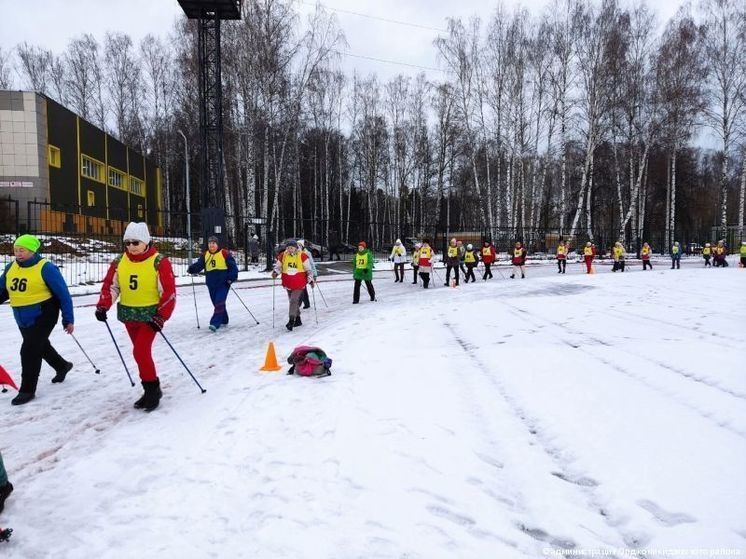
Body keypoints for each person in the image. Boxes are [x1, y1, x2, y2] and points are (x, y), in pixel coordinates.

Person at [96, 222, 176, 411]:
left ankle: (153, 390)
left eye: (136, 242)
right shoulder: (119, 261)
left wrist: (161, 316)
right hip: (129, 315)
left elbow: (168, 291)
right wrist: (103, 305)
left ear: (146, 242)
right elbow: (112, 286)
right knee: (140, 354)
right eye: (128, 243)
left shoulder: (159, 261)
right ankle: (149, 390)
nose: (131, 247)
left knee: (140, 352)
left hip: (150, 317)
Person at [0, 234, 74, 406]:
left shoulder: (45, 268)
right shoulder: (11, 267)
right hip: (21, 316)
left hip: (44, 314)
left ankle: (27, 390)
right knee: (40, 345)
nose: (18, 253)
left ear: (33, 250)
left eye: (22, 250)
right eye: (16, 250)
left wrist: (68, 319)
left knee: (29, 350)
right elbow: (3, 290)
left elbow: (63, 294)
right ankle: (62, 366)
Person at [187, 235, 238, 332]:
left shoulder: (224, 253)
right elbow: (199, 265)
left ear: (217, 245)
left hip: (223, 283)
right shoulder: (205, 255)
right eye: (210, 243)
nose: (211, 245)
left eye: (213, 243)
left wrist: (231, 278)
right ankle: (224, 319)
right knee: (217, 303)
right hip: (211, 284)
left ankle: (215, 323)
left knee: (219, 301)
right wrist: (192, 269)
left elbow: (233, 268)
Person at [272, 240, 314, 331]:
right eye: (288, 248)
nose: (289, 249)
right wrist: (275, 272)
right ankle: (298, 320)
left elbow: (308, 270)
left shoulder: (302, 256)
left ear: (295, 248)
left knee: (293, 300)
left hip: (299, 283)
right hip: (288, 282)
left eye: (291, 248)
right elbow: (279, 267)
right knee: (292, 301)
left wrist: (310, 279)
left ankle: (291, 320)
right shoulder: (283, 255)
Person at [298, 239, 318, 309]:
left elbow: (312, 264)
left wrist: (314, 274)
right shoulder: (296, 253)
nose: (298, 246)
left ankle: (305, 303)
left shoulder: (307, 253)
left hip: (306, 272)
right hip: (299, 273)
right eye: (297, 245)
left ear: (302, 246)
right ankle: (304, 303)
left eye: (299, 245)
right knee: (301, 288)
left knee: (302, 288)